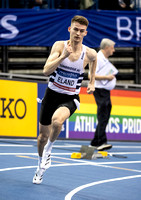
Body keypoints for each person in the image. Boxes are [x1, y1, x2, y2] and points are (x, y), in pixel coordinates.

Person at [33, 15, 97, 184]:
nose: (78, 33)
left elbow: (95, 58)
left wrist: (92, 82)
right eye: (75, 29)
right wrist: (62, 57)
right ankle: (40, 166)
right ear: (70, 29)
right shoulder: (59, 46)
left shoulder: (88, 53)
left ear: (85, 33)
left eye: (81, 31)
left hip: (70, 98)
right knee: (41, 137)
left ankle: (49, 150)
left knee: (57, 121)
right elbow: (46, 71)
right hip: (51, 95)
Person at [89, 38, 118, 151]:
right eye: (112, 48)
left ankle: (95, 141)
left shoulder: (104, 60)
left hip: (105, 90)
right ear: (106, 48)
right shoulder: (98, 58)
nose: (113, 50)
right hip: (99, 89)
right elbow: (90, 75)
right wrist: (107, 77)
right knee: (103, 115)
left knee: (105, 115)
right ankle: (101, 141)